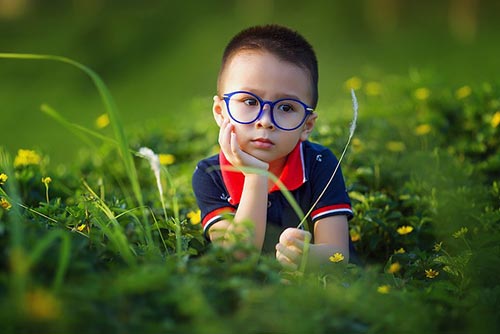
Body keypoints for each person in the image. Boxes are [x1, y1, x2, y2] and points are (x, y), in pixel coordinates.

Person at [192, 24, 353, 271]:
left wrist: (307, 258)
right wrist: (256, 175)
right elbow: (239, 258)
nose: (265, 121)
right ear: (220, 112)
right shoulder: (210, 174)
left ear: (307, 126)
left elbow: (338, 255)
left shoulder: (320, 164)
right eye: (249, 101)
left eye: (286, 107)